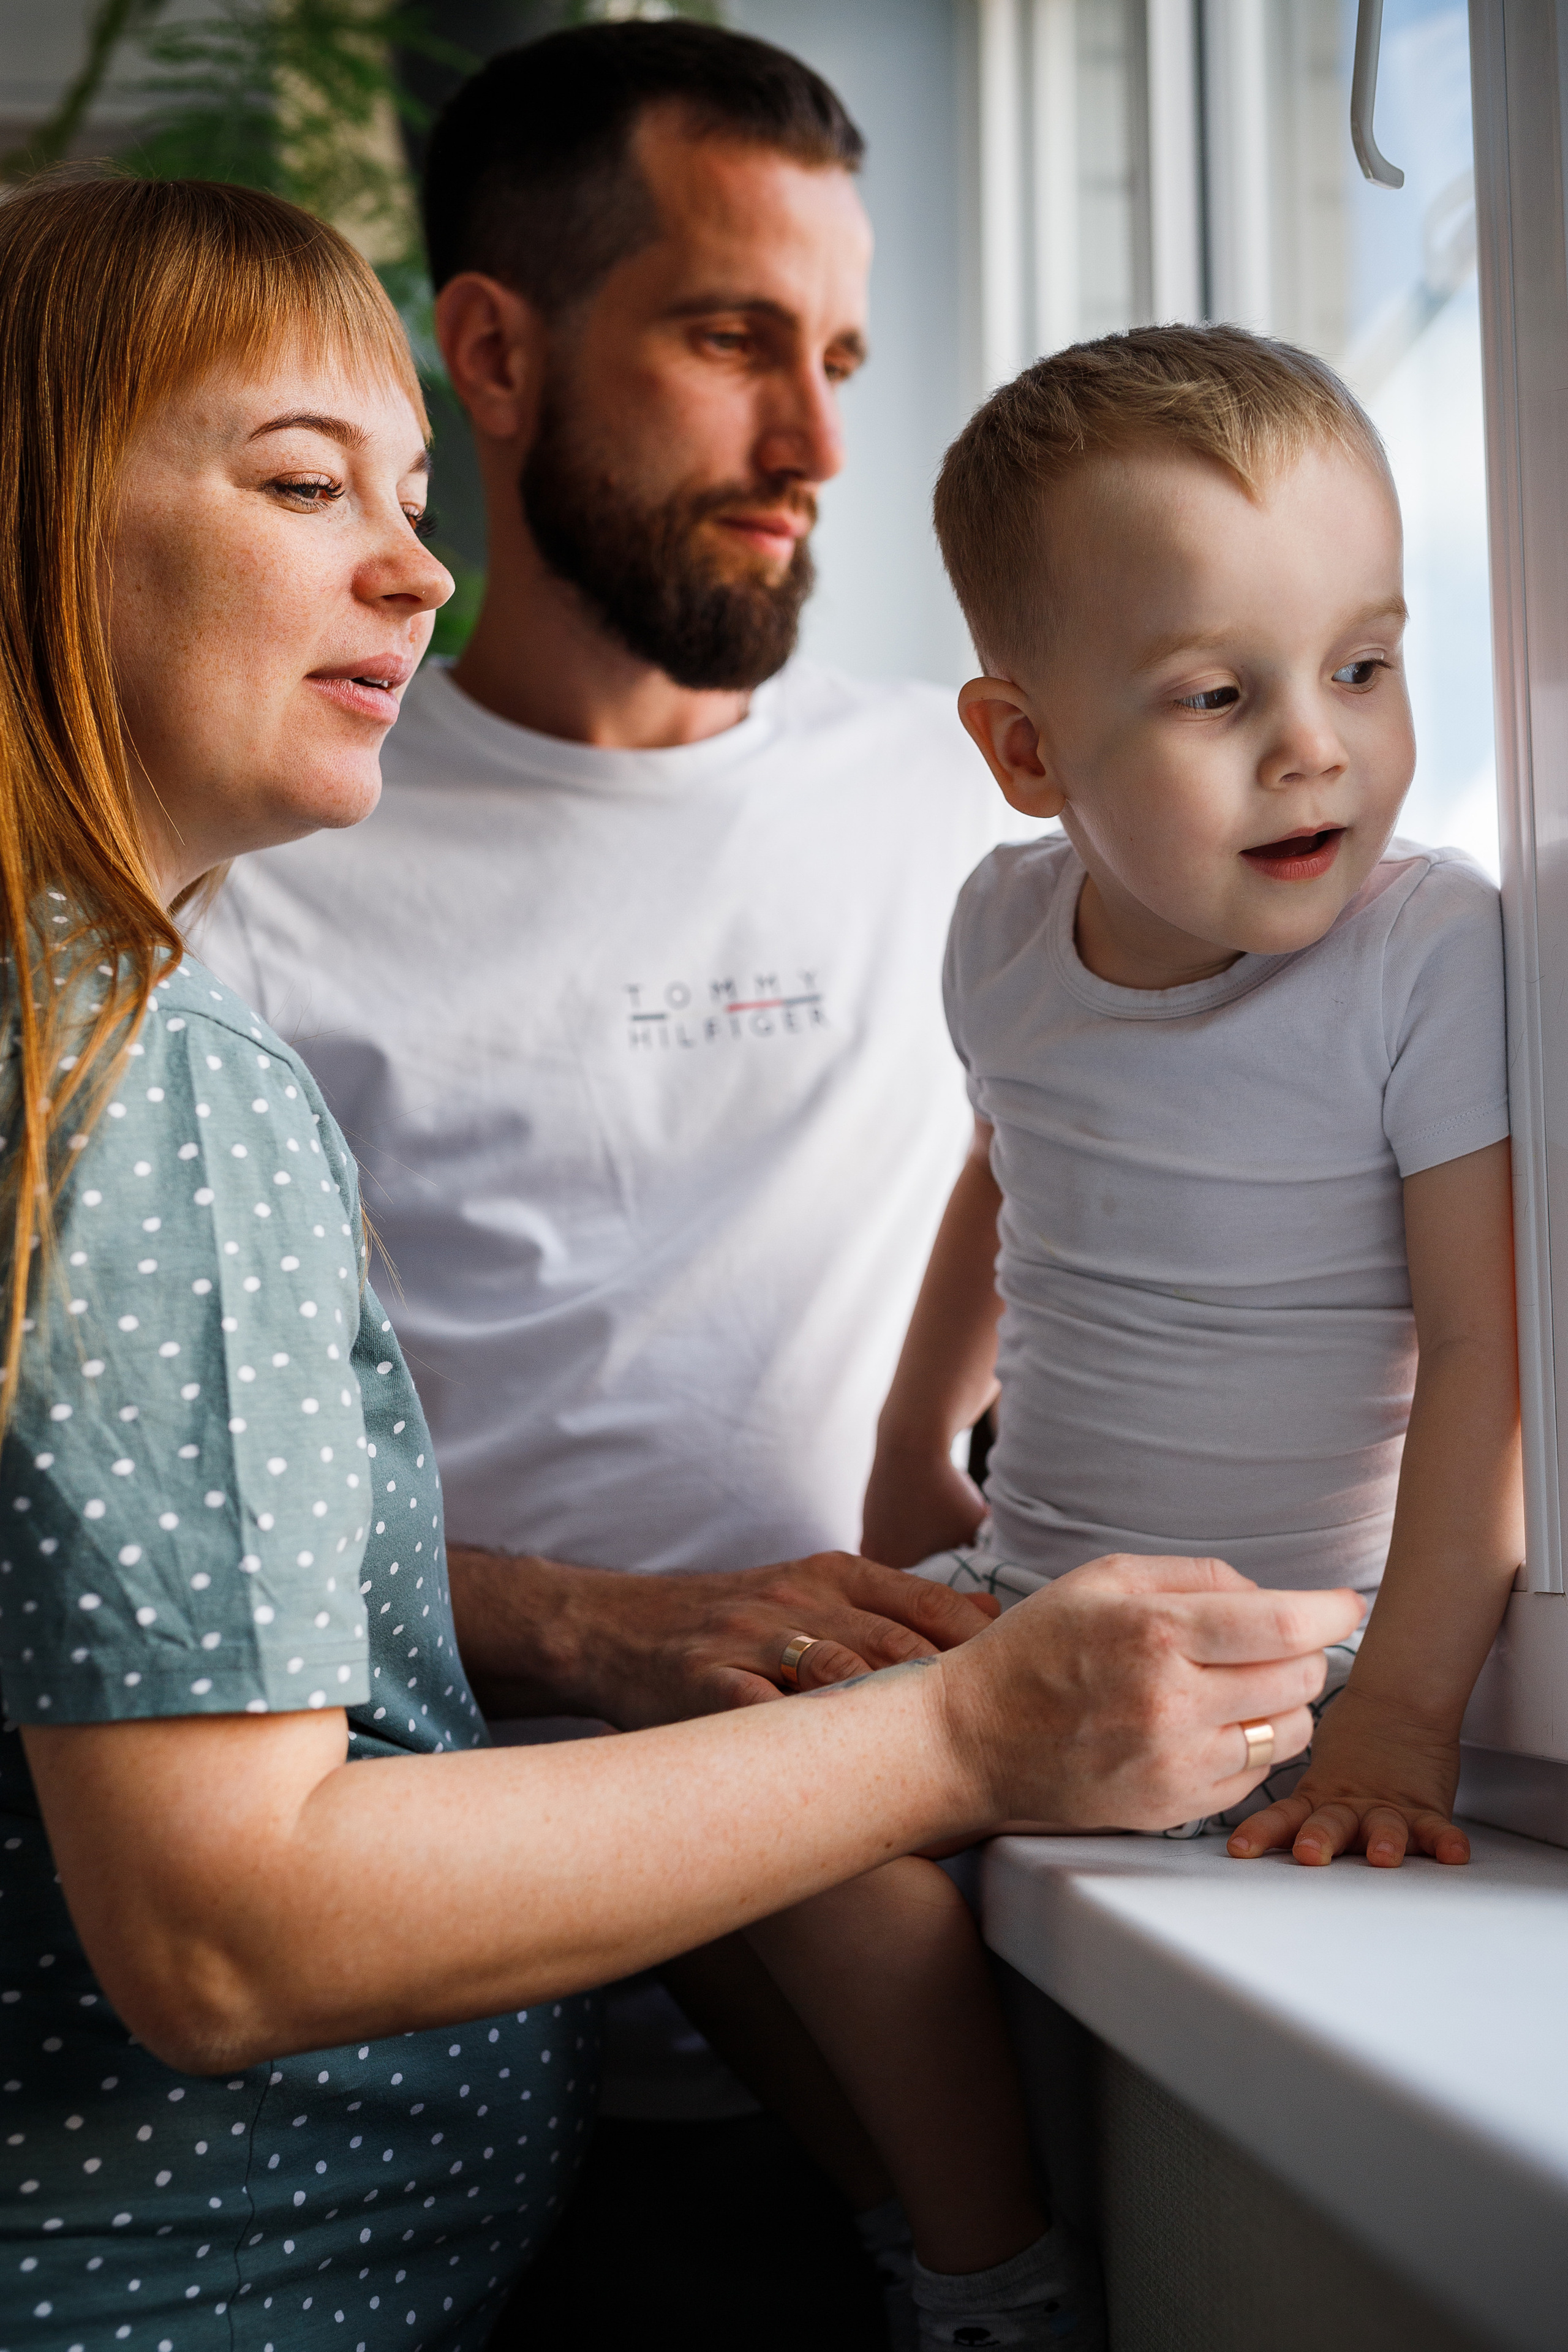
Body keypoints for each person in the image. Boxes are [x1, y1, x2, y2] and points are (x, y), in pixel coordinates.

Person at [0, 175, 1360, 2352]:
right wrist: (968, 1734)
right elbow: (227, 1937)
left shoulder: (64, 1032)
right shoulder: (146, 1078)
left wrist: (625, 1614)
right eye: (301, 484)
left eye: (408, 497)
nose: (414, 566)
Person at [192, 18, 1039, 2286]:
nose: (818, 444)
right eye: (732, 340)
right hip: (445, 2043)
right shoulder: (265, 864)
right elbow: (167, 1523)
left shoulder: (982, 803)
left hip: (973, 1987)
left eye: (838, 357)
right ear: (493, 351)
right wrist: (594, 1632)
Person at [858, 323, 1521, 1870]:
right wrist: (908, 1446)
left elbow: (1486, 1352)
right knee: (723, 1795)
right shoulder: (1000, 927)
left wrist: (1400, 1718)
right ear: (1026, 748)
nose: (1313, 748)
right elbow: (1007, 1173)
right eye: (1217, 694)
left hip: (1292, 1659)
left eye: (1361, 668)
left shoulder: (1424, 953)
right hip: (1017, 1609)